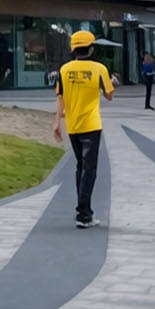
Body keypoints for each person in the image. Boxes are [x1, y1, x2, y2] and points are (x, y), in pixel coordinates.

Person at [53, 30, 114, 229]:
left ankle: (82, 210)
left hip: (73, 126)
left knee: (81, 167)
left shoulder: (64, 70)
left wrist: (57, 124)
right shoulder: (99, 69)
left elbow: (60, 98)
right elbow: (110, 95)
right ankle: (83, 213)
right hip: (92, 125)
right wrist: (112, 83)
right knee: (89, 169)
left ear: (73, 49)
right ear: (91, 48)